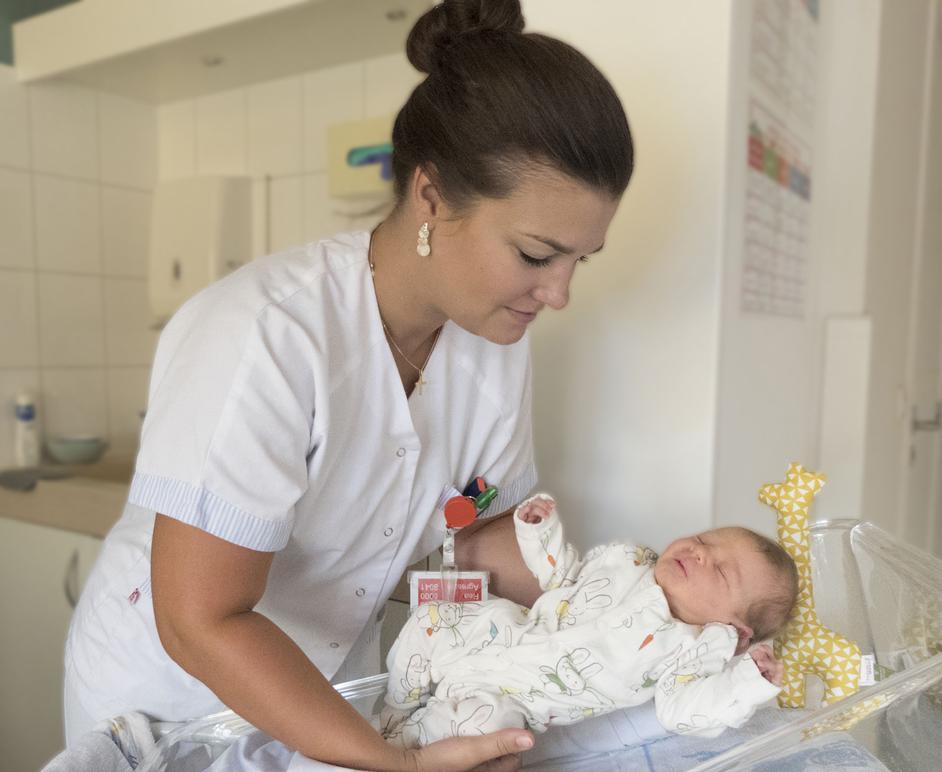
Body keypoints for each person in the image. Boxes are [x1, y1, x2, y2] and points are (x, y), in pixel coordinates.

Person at [61, 1, 633, 769]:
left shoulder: (494, 343)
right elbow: (203, 620)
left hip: (327, 695)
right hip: (170, 708)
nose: (558, 293)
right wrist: (392, 763)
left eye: (579, 261)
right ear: (431, 197)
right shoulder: (266, 334)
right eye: (537, 255)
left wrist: (630, 598)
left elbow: (478, 526)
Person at [381, 494, 798, 748]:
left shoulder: (693, 649)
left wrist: (745, 683)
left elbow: (683, 713)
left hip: (518, 700)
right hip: (507, 632)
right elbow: (563, 579)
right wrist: (539, 533)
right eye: (704, 539)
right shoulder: (632, 561)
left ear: (736, 633)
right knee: (433, 619)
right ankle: (394, 709)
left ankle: (403, 745)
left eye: (722, 572)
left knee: (484, 732)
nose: (700, 552)